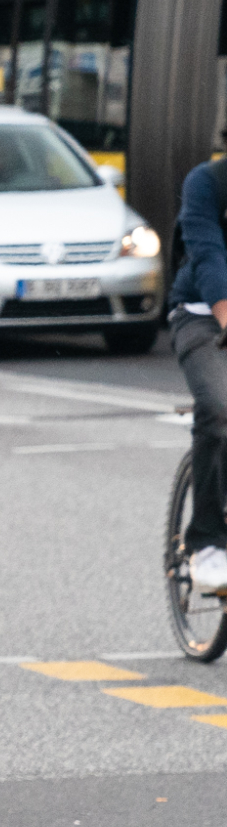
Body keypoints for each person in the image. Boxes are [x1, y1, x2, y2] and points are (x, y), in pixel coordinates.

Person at [172, 141, 227, 594]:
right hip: (203, 315)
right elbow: (209, 256)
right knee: (220, 407)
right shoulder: (206, 183)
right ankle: (207, 542)